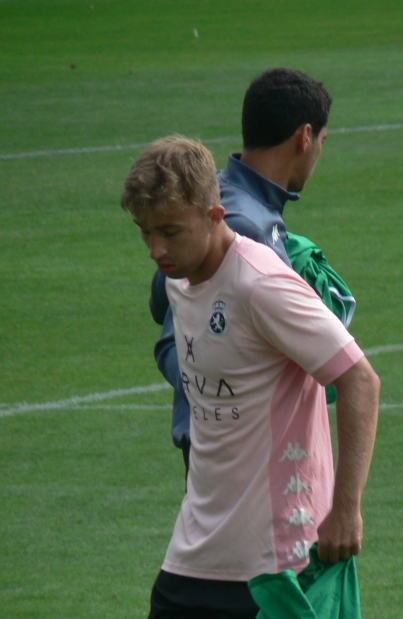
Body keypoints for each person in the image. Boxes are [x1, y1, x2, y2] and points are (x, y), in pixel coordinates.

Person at [122, 136, 380, 619]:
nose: (154, 248)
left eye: (169, 230)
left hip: (274, 564)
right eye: (145, 232)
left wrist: (346, 509)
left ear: (215, 214)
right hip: (196, 549)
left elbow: (360, 380)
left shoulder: (261, 283)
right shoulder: (179, 279)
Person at [150, 67, 336, 474]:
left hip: (231, 446)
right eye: (323, 141)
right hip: (238, 453)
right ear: (305, 137)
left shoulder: (222, 198)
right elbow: (175, 343)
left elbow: (159, 297)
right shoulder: (241, 225)